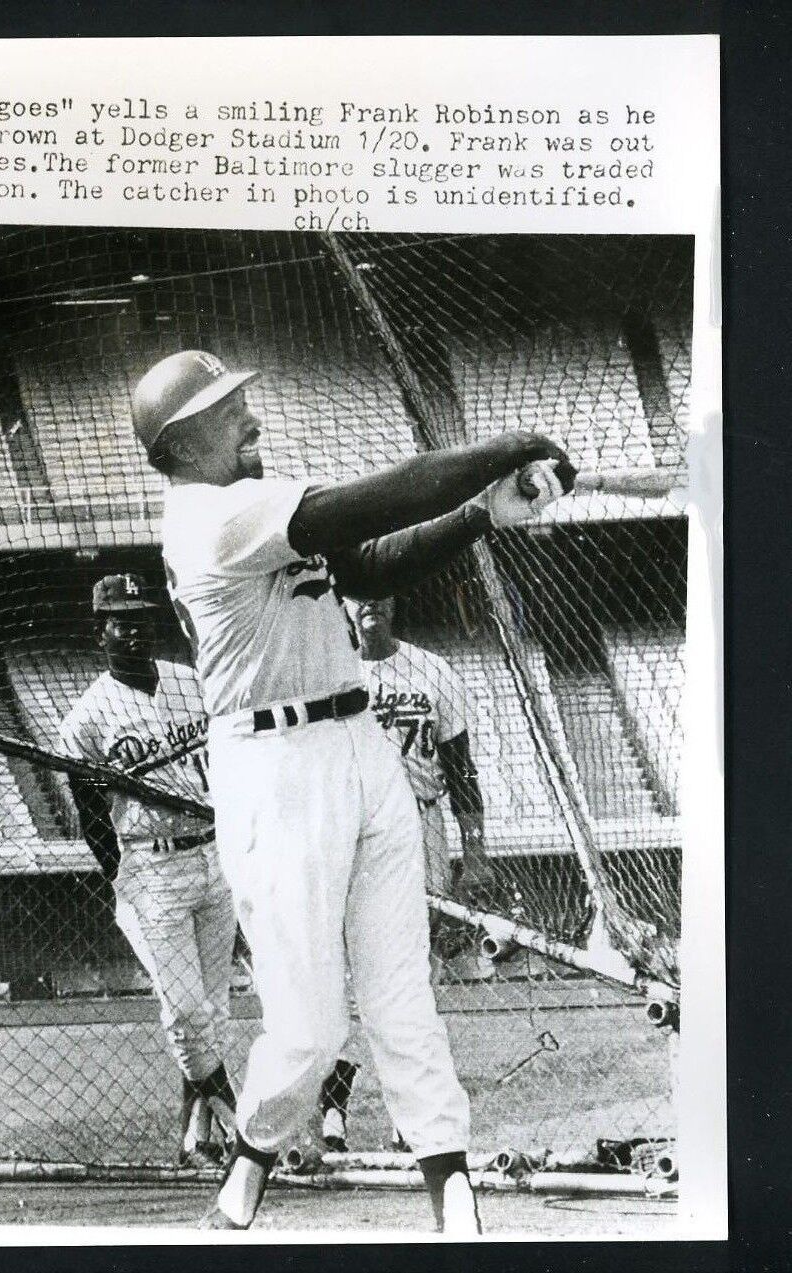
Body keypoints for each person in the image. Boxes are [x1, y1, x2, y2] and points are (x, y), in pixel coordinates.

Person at [134, 349, 573, 1233]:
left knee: (401, 986)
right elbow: (380, 499)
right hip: (273, 768)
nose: (250, 416)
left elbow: (368, 565)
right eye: (227, 409)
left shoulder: (257, 501)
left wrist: (483, 512)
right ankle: (254, 1152)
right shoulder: (207, 518)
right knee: (309, 1025)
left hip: (358, 743)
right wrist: (507, 446)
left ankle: (450, 1184)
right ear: (179, 445)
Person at [58, 572, 237, 1169]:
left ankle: (198, 1139)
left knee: (213, 1009)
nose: (133, 628)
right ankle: (240, 1130)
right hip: (150, 867)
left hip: (215, 852)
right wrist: (122, 877)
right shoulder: (86, 717)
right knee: (185, 1010)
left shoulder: (190, 683)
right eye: (120, 619)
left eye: (140, 616)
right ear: (99, 631)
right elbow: (91, 817)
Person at [316, 594, 496, 1153]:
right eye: (357, 591)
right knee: (343, 974)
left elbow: (460, 764)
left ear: (395, 598)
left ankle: (409, 1117)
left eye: (381, 588)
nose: (369, 601)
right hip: (347, 826)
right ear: (342, 603)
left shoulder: (431, 670)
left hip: (420, 824)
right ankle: (332, 1115)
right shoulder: (325, 669)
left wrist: (477, 851)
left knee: (416, 969)